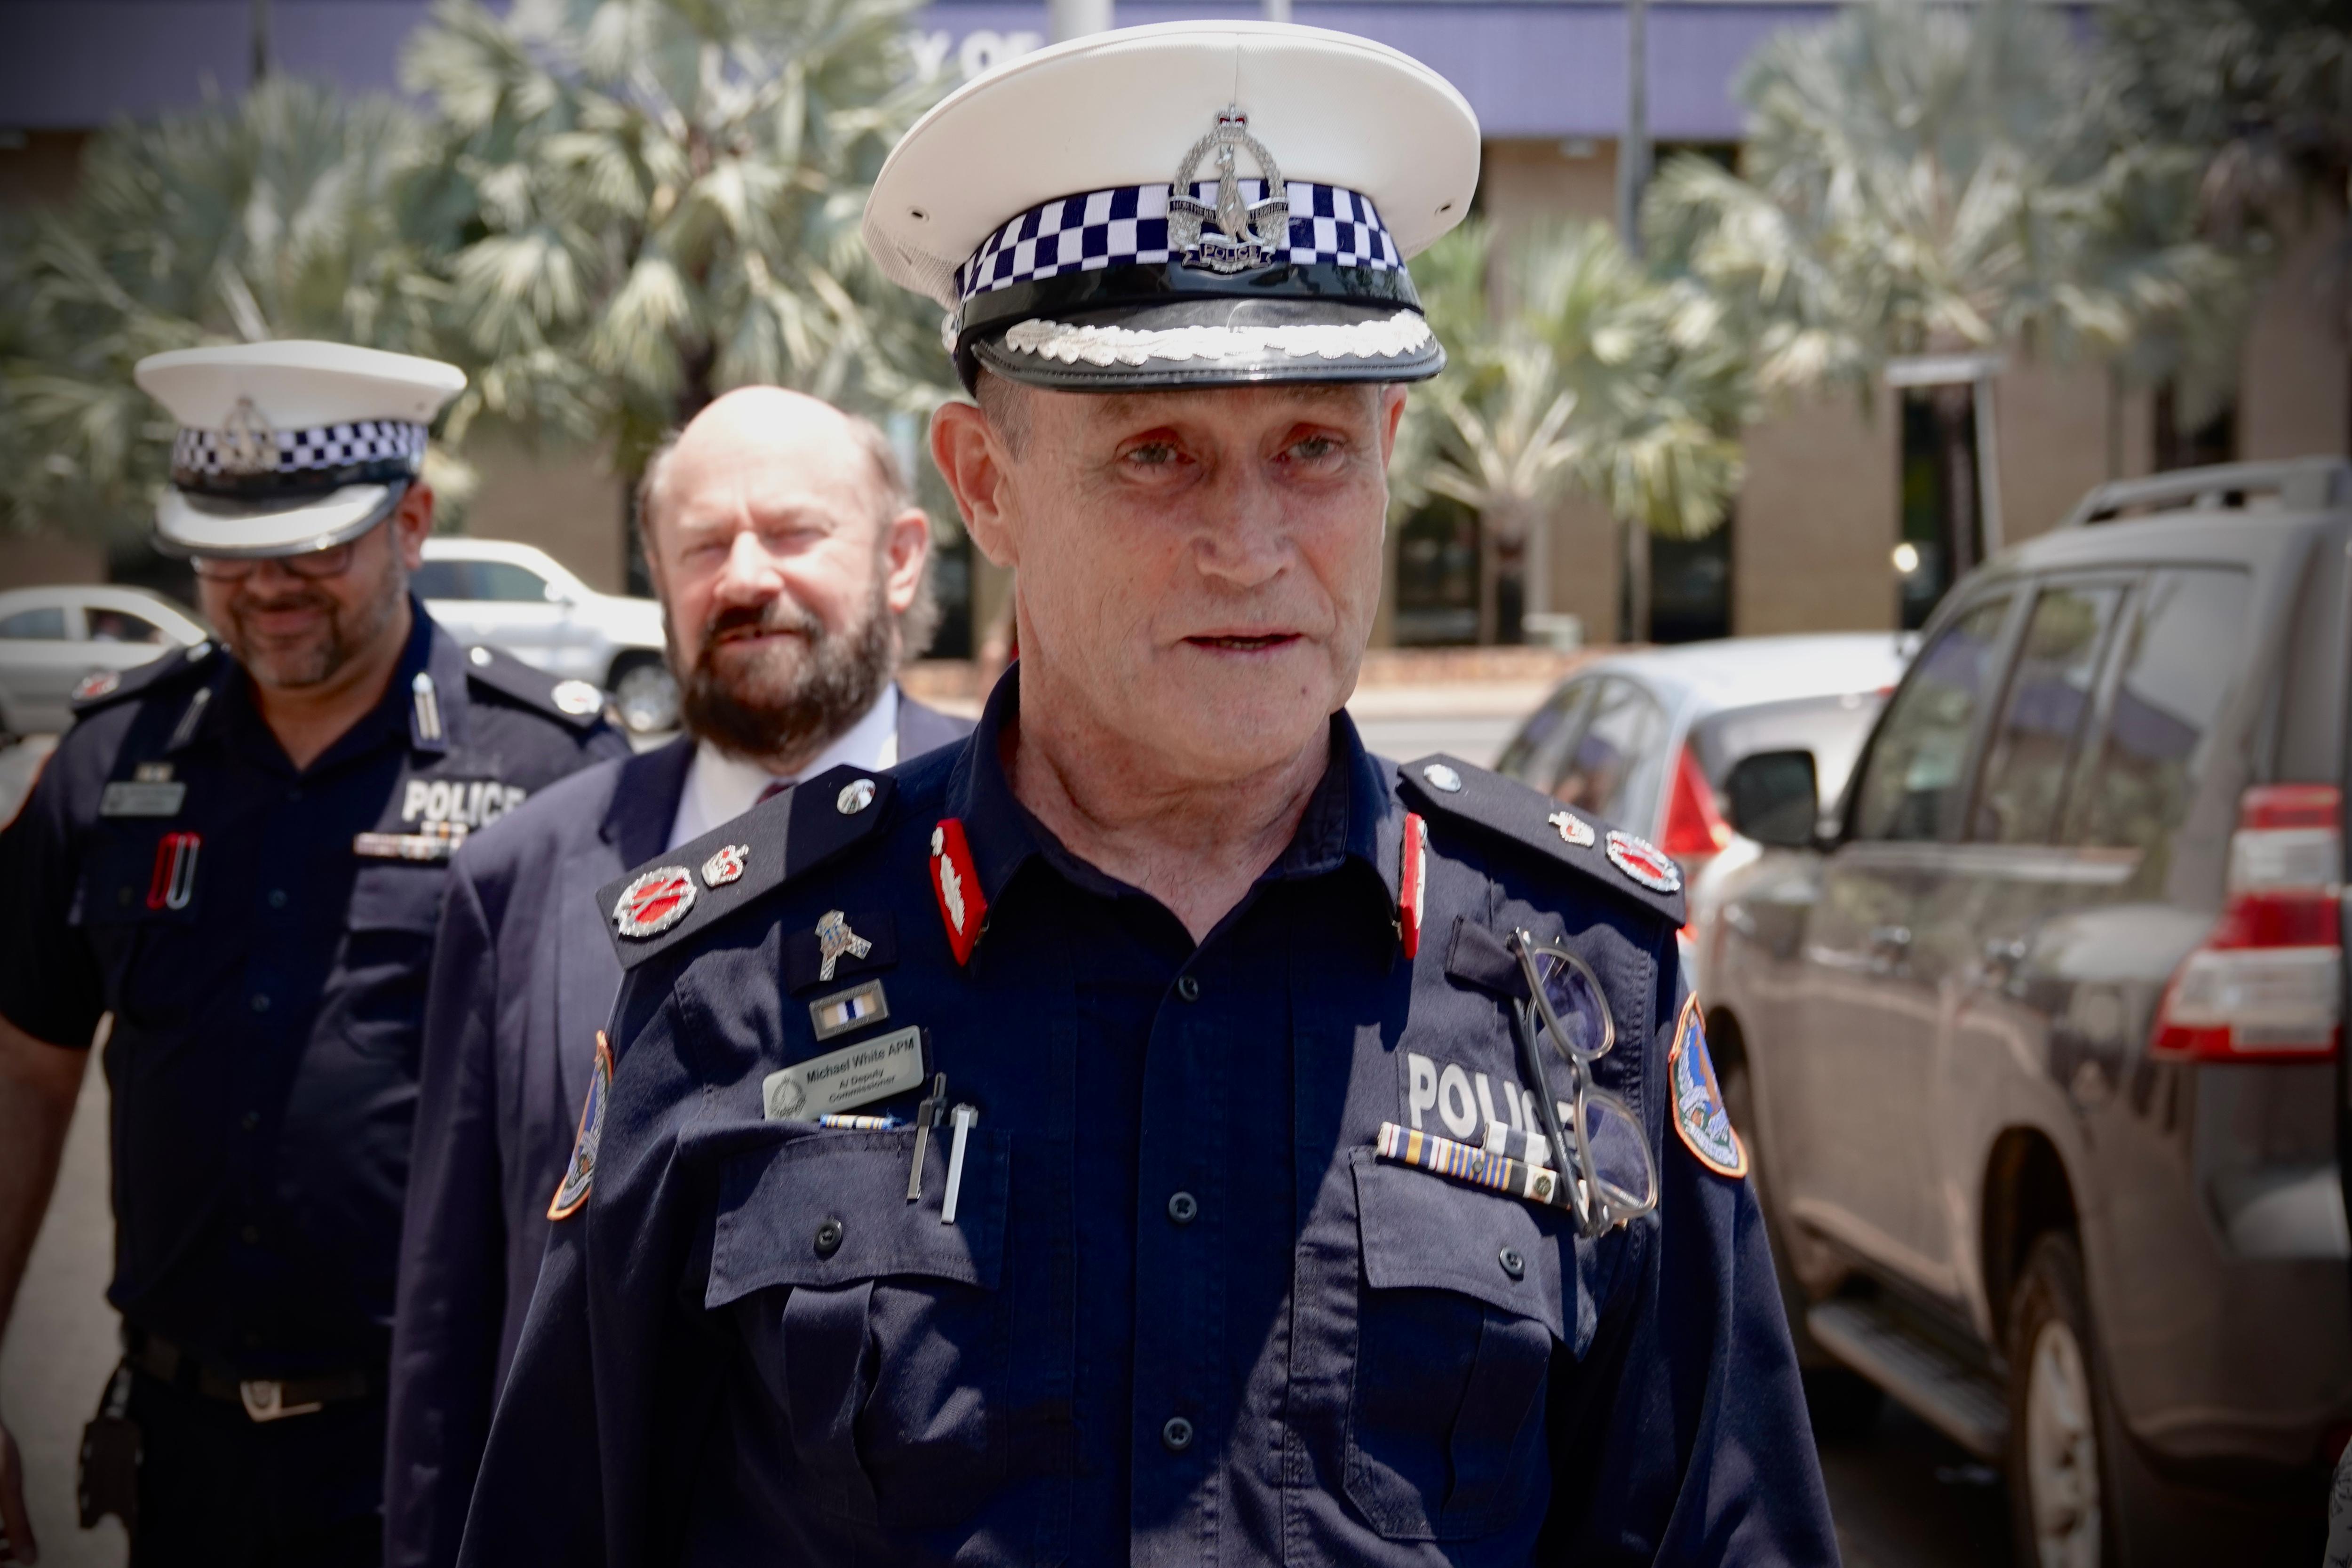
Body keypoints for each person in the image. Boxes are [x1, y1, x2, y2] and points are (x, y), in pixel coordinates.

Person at [458, 22, 1839, 1566]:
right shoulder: (735, 981)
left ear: (1391, 452)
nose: (1249, 543)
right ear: (985, 483)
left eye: (1313, 445)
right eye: (1158, 452)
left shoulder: (1583, 987)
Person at [0, 342, 629, 1566]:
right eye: (227, 550)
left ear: (411, 520)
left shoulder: (556, 771)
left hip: (452, 1453)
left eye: (313, 547)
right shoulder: (109, 763)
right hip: (183, 1460)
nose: (266, 584)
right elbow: (23, 1074)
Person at [381, 386, 971, 1568]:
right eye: (703, 546)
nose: (746, 577)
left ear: (903, 560)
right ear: (659, 578)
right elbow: (451, 1322)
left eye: (796, 532)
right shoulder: (524, 877)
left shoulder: (1018, 837)